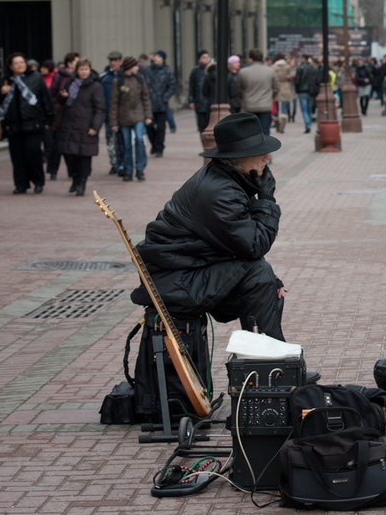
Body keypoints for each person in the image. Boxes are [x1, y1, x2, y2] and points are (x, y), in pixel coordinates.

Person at [129, 112, 287, 341]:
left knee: (267, 282)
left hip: (187, 271)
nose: (266, 157)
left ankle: (265, 361)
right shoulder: (221, 192)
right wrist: (266, 201)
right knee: (260, 275)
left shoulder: (228, 180)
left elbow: (241, 245)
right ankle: (272, 362)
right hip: (174, 281)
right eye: (259, 152)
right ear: (239, 157)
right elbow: (255, 245)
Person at [0, 52, 54, 194]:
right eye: (16, 63)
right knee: (17, 156)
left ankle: (38, 181)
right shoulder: (6, 80)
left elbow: (46, 99)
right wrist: (2, 92)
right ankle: (21, 184)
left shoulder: (35, 77)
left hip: (33, 122)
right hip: (13, 124)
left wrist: (49, 119)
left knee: (33, 152)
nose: (20, 65)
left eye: (22, 62)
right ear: (11, 66)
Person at [57, 57, 105, 196]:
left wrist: (95, 127)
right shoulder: (71, 82)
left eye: (86, 69)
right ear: (76, 70)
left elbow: (100, 108)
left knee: (84, 157)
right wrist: (63, 96)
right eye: (81, 69)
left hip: (86, 125)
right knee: (69, 155)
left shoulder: (95, 86)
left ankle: (82, 182)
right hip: (69, 125)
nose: (83, 72)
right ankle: (74, 178)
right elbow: (61, 102)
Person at [109, 56, 152, 181]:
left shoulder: (140, 79)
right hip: (123, 118)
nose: (137, 68)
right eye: (135, 66)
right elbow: (113, 103)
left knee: (139, 140)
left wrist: (148, 116)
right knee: (127, 144)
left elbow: (145, 98)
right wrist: (113, 122)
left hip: (138, 116)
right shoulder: (118, 82)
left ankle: (140, 169)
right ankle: (128, 170)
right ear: (129, 67)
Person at [48, 51, 80, 180]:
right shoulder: (59, 76)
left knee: (70, 145)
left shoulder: (79, 76)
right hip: (60, 113)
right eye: (76, 62)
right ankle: (53, 170)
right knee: (57, 144)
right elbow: (52, 93)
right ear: (69, 63)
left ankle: (72, 171)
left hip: (75, 114)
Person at [236, 49, 280, 136]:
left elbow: (238, 88)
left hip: (249, 105)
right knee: (265, 130)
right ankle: (266, 148)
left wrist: (242, 97)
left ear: (250, 58)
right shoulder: (270, 71)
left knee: (250, 132)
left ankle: (252, 148)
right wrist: (270, 97)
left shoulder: (243, 72)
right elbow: (276, 88)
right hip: (265, 105)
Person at [143, 50, 176, 158]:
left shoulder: (167, 71)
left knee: (161, 128)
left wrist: (164, 97)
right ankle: (154, 144)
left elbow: (172, 86)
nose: (155, 58)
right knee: (149, 126)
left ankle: (159, 148)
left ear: (163, 59)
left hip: (162, 105)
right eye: (155, 56)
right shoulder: (148, 70)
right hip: (149, 104)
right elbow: (144, 85)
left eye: (158, 56)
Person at [100, 51, 124, 175]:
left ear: (120, 61)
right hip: (108, 114)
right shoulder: (103, 77)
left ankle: (123, 163)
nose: (113, 63)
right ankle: (115, 164)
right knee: (111, 141)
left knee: (124, 141)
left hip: (124, 115)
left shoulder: (125, 76)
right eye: (111, 60)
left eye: (115, 60)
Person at [294, 55, 319, 134]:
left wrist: (297, 90)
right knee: (309, 108)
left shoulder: (300, 68)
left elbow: (297, 81)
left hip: (302, 91)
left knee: (304, 109)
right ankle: (309, 123)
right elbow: (316, 80)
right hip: (310, 91)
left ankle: (307, 124)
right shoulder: (312, 68)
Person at [188, 50, 211, 133]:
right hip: (199, 102)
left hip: (210, 102)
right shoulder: (195, 71)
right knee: (202, 125)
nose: (206, 59)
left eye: (208, 57)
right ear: (199, 59)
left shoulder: (212, 70)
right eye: (204, 57)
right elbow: (192, 86)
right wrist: (191, 100)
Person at [272, 54, 292, 131]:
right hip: (285, 86)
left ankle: (277, 123)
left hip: (276, 86)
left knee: (275, 106)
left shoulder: (273, 67)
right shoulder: (287, 67)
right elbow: (289, 76)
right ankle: (282, 125)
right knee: (284, 107)